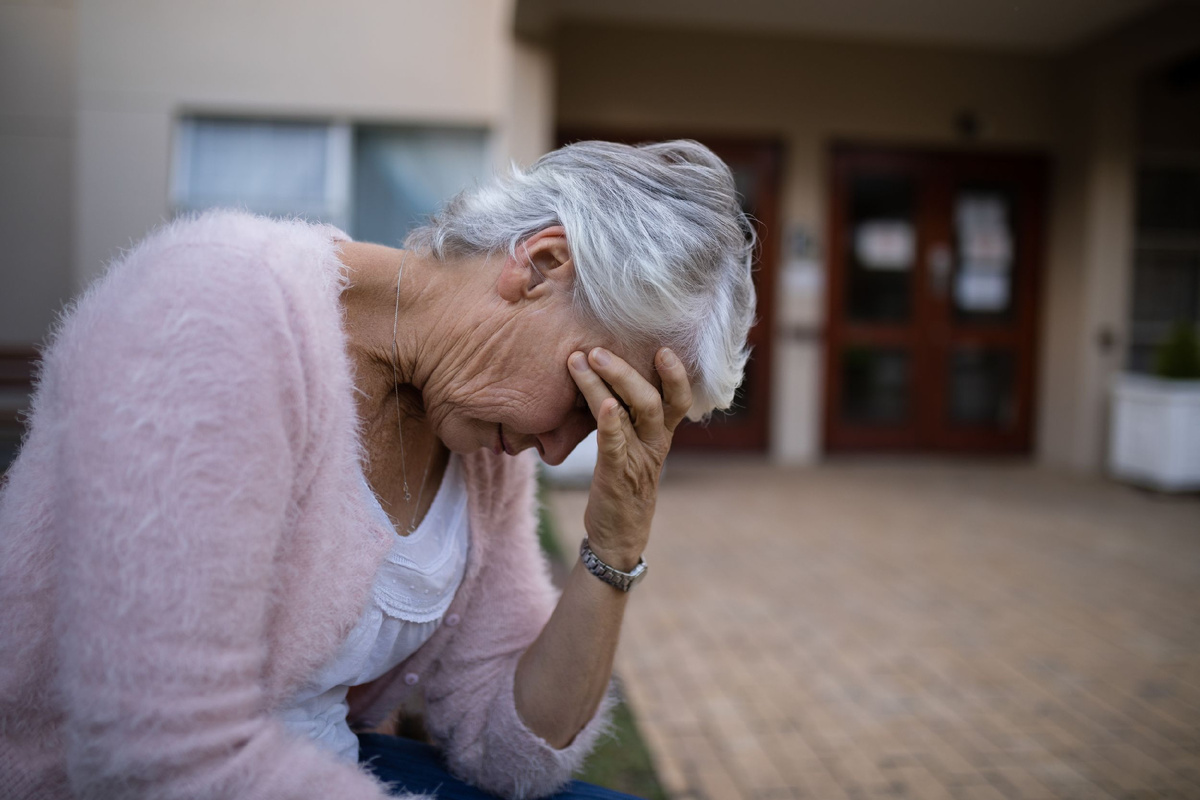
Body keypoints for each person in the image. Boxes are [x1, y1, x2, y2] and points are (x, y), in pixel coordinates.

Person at [0, 140, 756, 799]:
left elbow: (511, 754)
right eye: (586, 402)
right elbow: (157, 761)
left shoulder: (483, 435)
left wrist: (617, 541)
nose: (559, 450)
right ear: (542, 266)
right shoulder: (216, 312)